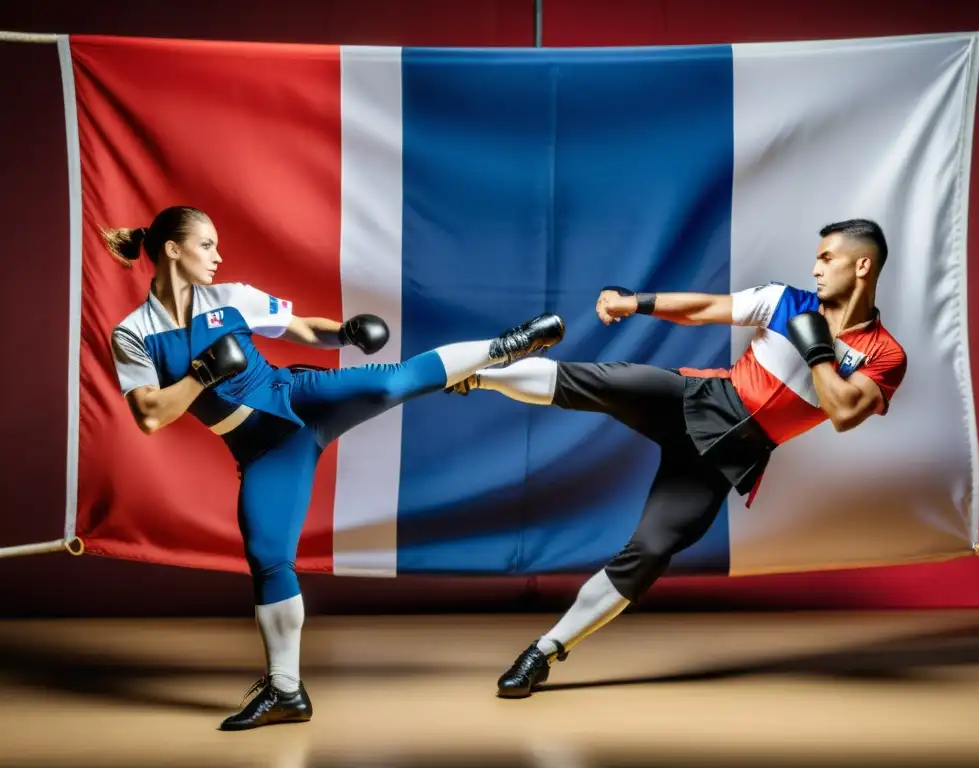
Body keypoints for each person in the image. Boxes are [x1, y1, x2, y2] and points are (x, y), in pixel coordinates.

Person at [104, 205, 564, 728]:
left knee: (389, 382)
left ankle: (505, 346)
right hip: (263, 450)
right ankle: (285, 690)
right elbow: (150, 415)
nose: (218, 255)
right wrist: (201, 375)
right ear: (172, 249)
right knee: (268, 556)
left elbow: (300, 327)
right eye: (207, 245)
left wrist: (343, 334)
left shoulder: (232, 298)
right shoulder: (132, 333)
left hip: (299, 397)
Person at [445, 218, 908, 698]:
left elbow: (843, 412)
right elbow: (707, 308)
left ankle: (541, 653)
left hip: (729, 457)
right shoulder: (785, 301)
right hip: (699, 399)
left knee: (649, 552)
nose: (815, 268)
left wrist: (818, 352)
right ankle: (475, 374)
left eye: (826, 258)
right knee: (604, 380)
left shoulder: (886, 353)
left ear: (862, 265)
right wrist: (635, 302)